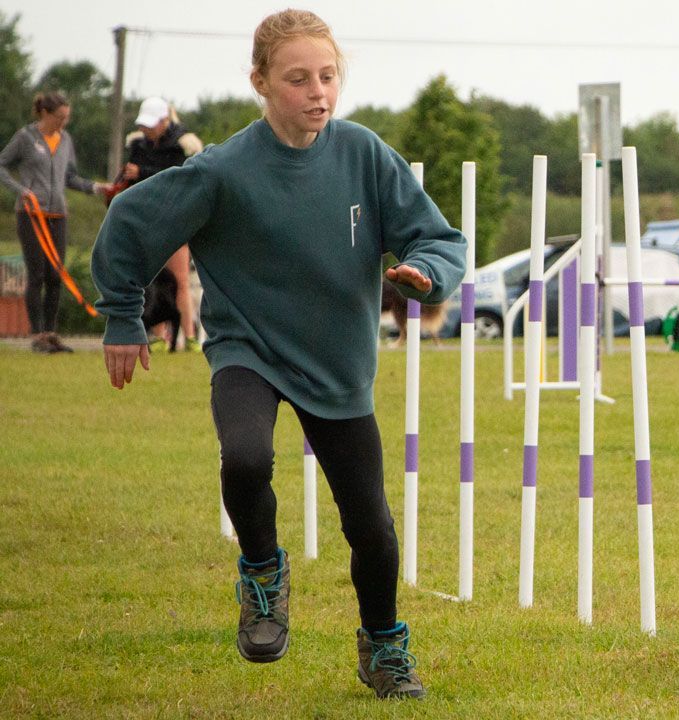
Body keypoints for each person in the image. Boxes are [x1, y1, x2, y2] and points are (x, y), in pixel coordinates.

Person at [91, 9, 465, 701]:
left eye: (328, 76)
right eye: (298, 79)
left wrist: (426, 272)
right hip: (248, 349)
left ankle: (384, 649)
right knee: (245, 456)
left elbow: (439, 237)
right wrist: (120, 317)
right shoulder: (223, 170)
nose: (317, 92)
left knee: (372, 529)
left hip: (338, 362)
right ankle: (262, 574)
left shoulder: (363, 155)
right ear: (261, 82)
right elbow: (131, 221)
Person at [0, 92, 106, 353]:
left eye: (66, 118)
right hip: (31, 215)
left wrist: (94, 188)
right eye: (60, 117)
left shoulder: (66, 140)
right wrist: (20, 189)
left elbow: (69, 178)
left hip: (58, 215)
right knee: (36, 274)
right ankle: (38, 335)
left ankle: (52, 332)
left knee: (55, 274)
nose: (63, 123)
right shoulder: (25, 138)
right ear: (45, 114)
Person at [121, 96, 205, 351]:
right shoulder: (138, 144)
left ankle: (188, 336)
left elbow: (177, 178)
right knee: (149, 280)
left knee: (178, 278)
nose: (146, 130)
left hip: (174, 220)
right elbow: (128, 177)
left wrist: (142, 173)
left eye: (151, 124)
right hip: (145, 220)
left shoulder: (182, 145)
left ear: (164, 121)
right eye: (144, 125)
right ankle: (158, 335)